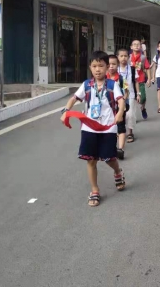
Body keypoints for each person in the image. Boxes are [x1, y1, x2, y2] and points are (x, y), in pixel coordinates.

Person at [61, 51, 126, 207]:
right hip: (89, 127)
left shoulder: (112, 85)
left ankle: (117, 172)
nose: (98, 69)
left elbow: (121, 100)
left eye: (101, 66)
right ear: (90, 67)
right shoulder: (86, 85)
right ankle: (95, 190)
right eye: (94, 66)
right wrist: (65, 111)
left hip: (108, 127)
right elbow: (74, 98)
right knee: (91, 159)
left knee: (109, 158)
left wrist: (120, 113)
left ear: (107, 67)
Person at [107, 54, 128, 160]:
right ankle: (110, 147)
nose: (111, 66)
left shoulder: (121, 79)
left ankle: (120, 149)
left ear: (118, 65)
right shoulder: (103, 78)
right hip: (107, 109)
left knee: (121, 127)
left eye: (114, 64)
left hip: (119, 108)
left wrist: (123, 101)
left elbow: (126, 92)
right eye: (109, 64)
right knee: (110, 127)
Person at [117, 48, 137, 143]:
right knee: (119, 113)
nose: (123, 58)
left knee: (130, 114)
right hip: (118, 96)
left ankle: (130, 133)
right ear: (117, 57)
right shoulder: (115, 69)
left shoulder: (132, 69)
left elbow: (136, 81)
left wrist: (138, 93)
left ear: (128, 57)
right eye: (121, 56)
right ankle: (120, 131)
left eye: (125, 56)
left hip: (130, 94)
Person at [130, 39, 150, 120]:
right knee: (132, 99)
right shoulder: (128, 57)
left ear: (141, 47)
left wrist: (149, 79)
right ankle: (133, 116)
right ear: (131, 47)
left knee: (143, 97)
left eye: (138, 44)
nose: (136, 46)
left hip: (140, 80)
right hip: (130, 81)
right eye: (134, 44)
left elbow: (147, 68)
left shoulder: (143, 57)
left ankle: (143, 108)